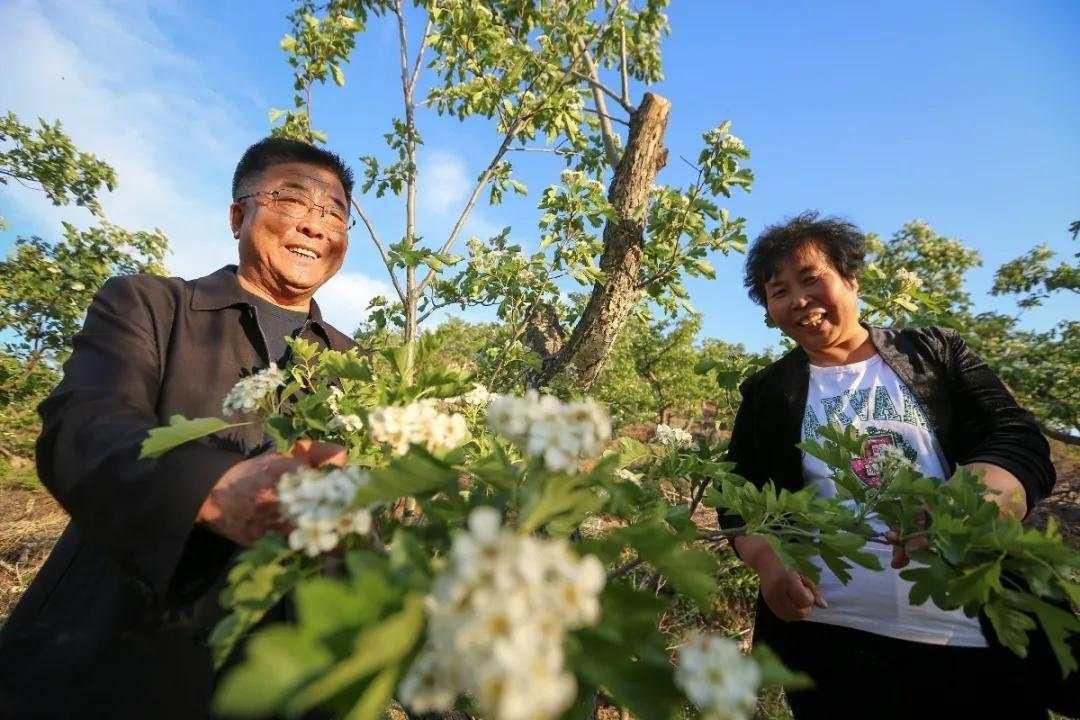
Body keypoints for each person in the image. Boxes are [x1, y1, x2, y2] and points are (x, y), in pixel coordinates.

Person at [0, 137, 359, 719]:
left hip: (289, 675)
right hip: (116, 660)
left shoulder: (355, 363)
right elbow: (83, 426)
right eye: (293, 199)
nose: (315, 224)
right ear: (238, 216)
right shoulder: (149, 305)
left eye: (334, 211)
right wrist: (213, 491)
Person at [722, 212, 1060, 719]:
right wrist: (770, 568)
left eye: (812, 279)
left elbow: (1016, 439)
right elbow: (738, 495)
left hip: (970, 634)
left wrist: (969, 503)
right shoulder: (768, 393)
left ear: (851, 279)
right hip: (832, 638)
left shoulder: (935, 353)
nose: (798, 301)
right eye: (778, 291)